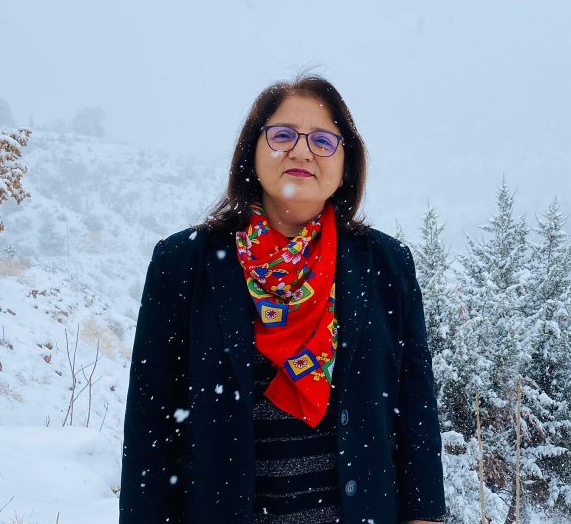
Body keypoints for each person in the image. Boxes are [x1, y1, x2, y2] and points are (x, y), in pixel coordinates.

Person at [120, 74, 446, 524]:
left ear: (345, 163)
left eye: (323, 141)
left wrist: (424, 516)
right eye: (283, 135)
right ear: (251, 151)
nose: (302, 151)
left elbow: (416, 411)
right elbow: (150, 424)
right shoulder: (183, 262)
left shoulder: (386, 264)